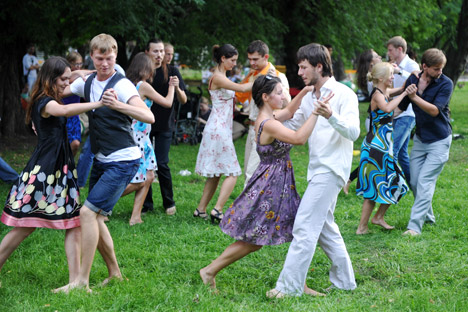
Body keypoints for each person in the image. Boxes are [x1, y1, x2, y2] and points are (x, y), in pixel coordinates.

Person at [199, 75, 321, 290]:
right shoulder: (269, 124)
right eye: (279, 92)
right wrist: (316, 113)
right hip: (271, 186)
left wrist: (303, 93)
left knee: (292, 232)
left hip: (277, 182)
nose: (283, 95)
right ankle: (209, 271)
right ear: (265, 97)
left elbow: (290, 112)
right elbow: (299, 138)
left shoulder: (269, 116)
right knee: (255, 240)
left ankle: (297, 282)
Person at [55, 34, 154, 293]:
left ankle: (81, 282)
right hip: (101, 158)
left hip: (124, 160)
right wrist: (75, 75)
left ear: (116, 56)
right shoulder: (86, 83)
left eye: (109, 58)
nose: (105, 63)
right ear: (92, 57)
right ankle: (115, 274)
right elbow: (60, 92)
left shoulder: (122, 85)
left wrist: (120, 105)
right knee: (96, 218)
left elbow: (149, 115)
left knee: (87, 214)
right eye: (99, 58)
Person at [0, 56, 103, 287]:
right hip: (46, 170)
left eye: (68, 78)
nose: (68, 84)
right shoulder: (44, 102)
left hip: (61, 168)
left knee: (73, 222)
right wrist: (97, 103)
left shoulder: (51, 93)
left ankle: (76, 281)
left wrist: (93, 72)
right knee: (25, 226)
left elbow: (77, 74)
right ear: (51, 78)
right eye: (63, 80)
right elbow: (66, 112)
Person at [267, 43, 359, 298]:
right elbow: (296, 124)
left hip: (332, 169)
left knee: (305, 225)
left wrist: (331, 115)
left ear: (319, 66)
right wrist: (274, 115)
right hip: (317, 169)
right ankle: (345, 282)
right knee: (326, 228)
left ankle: (288, 287)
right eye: (299, 66)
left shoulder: (344, 94)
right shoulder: (309, 96)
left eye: (304, 66)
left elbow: (353, 132)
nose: (299, 71)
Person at [193, 44, 252, 223]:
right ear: (222, 59)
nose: (235, 63)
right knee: (233, 172)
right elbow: (242, 89)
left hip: (220, 128)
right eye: (232, 60)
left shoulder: (223, 77)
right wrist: (262, 78)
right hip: (218, 129)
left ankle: (200, 209)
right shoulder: (217, 78)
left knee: (216, 173)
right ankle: (217, 210)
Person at [355, 62, 416, 234]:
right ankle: (362, 227)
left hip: (383, 145)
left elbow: (403, 86)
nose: (392, 78)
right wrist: (404, 93)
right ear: (381, 78)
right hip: (375, 146)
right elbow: (388, 107)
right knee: (374, 189)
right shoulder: (377, 95)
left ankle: (377, 218)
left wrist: (405, 73)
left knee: (398, 184)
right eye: (390, 75)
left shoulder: (384, 91)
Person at [399, 49, 453, 236]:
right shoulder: (412, 80)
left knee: (424, 181)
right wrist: (382, 116)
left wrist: (415, 97)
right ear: (424, 66)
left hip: (440, 139)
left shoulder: (446, 83)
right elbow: (401, 107)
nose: (440, 72)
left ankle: (414, 226)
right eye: (436, 69)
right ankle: (428, 216)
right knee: (414, 181)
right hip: (421, 139)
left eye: (441, 69)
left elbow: (434, 111)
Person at [120, 52, 177, 225]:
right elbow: (167, 103)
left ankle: (135, 216)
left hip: (140, 136)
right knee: (139, 180)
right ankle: (101, 202)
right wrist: (172, 87)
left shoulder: (127, 84)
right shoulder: (143, 86)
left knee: (150, 176)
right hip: (139, 138)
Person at [235, 40, 290, 187]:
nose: (252, 63)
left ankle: (248, 207)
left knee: (252, 173)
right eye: (250, 59)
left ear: (266, 57)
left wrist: (276, 83)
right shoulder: (252, 74)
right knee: (248, 169)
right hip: (252, 127)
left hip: (266, 129)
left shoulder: (278, 76)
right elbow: (240, 94)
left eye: (255, 59)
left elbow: (287, 104)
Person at [143, 38, 187, 216]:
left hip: (165, 124)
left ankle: (169, 202)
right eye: (156, 51)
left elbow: (183, 100)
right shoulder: (143, 72)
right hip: (143, 125)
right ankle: (147, 204)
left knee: (162, 163)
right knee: (145, 165)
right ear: (147, 53)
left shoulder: (173, 71)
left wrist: (176, 88)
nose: (160, 55)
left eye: (162, 51)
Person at [343, 49, 382, 195]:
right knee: (373, 156)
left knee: (375, 156)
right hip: (375, 122)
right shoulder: (373, 78)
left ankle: (369, 184)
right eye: (377, 56)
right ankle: (350, 179)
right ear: (372, 62)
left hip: (375, 121)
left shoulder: (374, 76)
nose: (381, 57)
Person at [386, 36, 420, 185]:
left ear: (400, 49)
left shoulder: (412, 64)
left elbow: (418, 82)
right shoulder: (392, 64)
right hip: (395, 111)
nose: (388, 53)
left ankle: (392, 186)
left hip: (407, 114)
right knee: (402, 155)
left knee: (391, 151)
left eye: (390, 50)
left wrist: (399, 72)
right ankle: (413, 184)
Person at [63, 51, 84, 156]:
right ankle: (63, 165)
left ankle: (69, 163)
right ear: (69, 63)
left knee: (75, 144)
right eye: (76, 64)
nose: (79, 67)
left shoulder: (80, 77)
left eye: (81, 64)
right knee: (63, 144)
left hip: (74, 115)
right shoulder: (65, 77)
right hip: (63, 114)